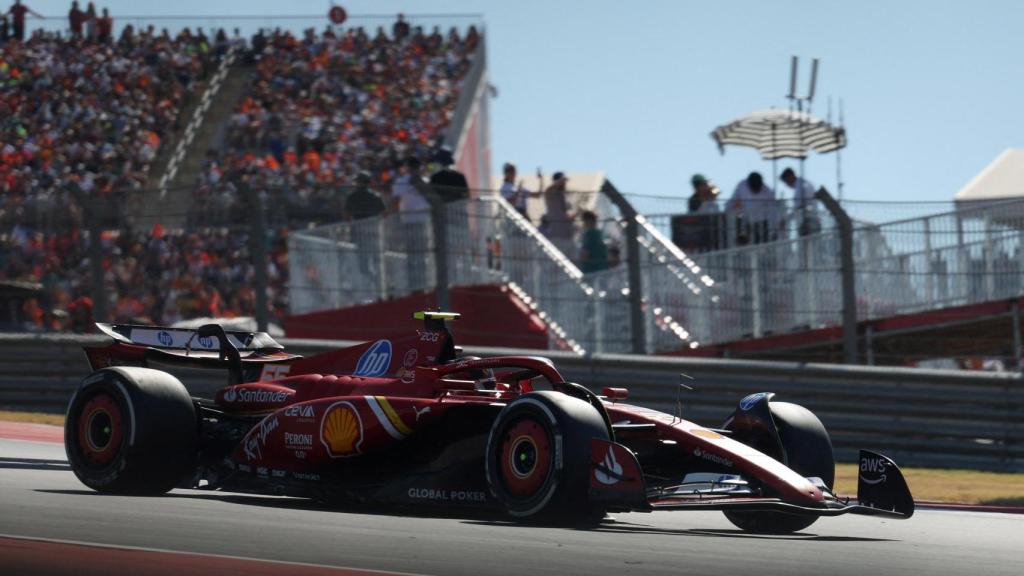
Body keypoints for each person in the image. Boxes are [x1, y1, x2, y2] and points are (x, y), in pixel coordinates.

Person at [391, 157, 431, 292]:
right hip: (418, 222)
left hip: (412, 222)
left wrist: (393, 221)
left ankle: (417, 285)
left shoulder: (404, 182)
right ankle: (419, 285)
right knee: (419, 255)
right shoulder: (424, 182)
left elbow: (395, 202)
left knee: (414, 256)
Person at [726, 171, 779, 245]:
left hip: (763, 223)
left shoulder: (768, 192)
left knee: (762, 245)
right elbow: (732, 201)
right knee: (745, 244)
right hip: (746, 222)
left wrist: (773, 231)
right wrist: (729, 208)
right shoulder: (742, 186)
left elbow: (773, 212)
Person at [781, 167, 821, 236]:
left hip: (807, 221)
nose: (787, 184)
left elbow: (799, 207)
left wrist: (786, 219)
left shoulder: (799, 187)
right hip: (814, 218)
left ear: (790, 177)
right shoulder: (805, 183)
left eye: (786, 181)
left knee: (805, 244)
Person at [543, 171, 575, 256]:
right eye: (563, 182)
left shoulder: (565, 197)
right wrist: (558, 182)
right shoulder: (551, 195)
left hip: (568, 236)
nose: (564, 184)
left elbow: (568, 217)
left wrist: (578, 212)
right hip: (556, 236)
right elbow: (547, 191)